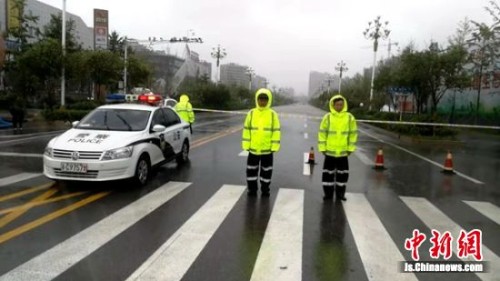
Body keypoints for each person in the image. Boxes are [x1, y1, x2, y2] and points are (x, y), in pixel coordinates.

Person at [318, 94, 357, 201]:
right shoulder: (328, 117)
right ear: (333, 105)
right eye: (337, 105)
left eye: (341, 104)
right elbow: (322, 133)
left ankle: (340, 194)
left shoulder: (349, 117)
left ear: (344, 105)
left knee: (342, 176)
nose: (339, 107)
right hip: (330, 152)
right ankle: (328, 194)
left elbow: (353, 134)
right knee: (327, 175)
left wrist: (350, 149)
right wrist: (322, 148)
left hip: (343, 153)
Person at [242, 88, 281, 197]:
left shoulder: (273, 114)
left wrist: (274, 146)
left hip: (267, 150)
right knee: (251, 171)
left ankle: (265, 189)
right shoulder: (252, 113)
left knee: (266, 172)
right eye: (260, 99)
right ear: (257, 99)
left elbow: (276, 131)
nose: (262, 101)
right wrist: (246, 145)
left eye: (264, 99)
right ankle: (252, 189)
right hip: (253, 149)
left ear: (268, 100)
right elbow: (247, 130)